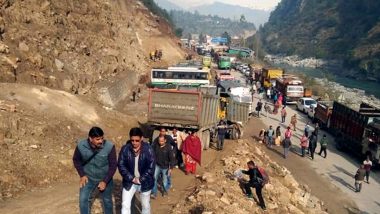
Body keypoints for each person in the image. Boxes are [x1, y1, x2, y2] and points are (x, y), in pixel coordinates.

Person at [73, 127, 117, 214]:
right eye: (97, 139)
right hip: (88, 178)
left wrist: (105, 181)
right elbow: (76, 160)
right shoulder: (81, 146)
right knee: (83, 200)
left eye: (102, 138)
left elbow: (113, 165)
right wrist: (82, 174)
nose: (101, 141)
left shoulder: (109, 146)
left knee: (107, 201)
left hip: (105, 178)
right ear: (90, 138)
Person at [118, 127, 155, 214]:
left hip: (145, 182)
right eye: (132, 140)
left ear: (141, 138)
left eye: (137, 140)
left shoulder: (148, 150)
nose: (134, 143)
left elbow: (151, 167)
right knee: (125, 205)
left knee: (145, 206)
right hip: (129, 181)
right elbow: (121, 165)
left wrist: (140, 179)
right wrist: (132, 178)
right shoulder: (125, 149)